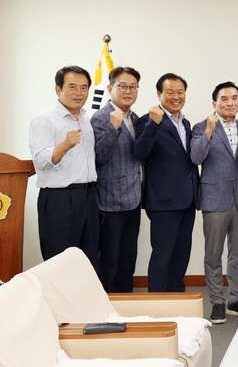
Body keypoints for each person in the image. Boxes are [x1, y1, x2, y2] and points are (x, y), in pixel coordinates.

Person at [191, 82, 238, 323]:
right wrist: (208, 132)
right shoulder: (201, 127)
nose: (230, 102)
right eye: (224, 98)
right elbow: (195, 157)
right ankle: (217, 302)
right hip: (214, 198)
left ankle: (235, 300)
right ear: (214, 103)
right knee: (213, 255)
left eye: (234, 98)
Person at [134, 73, 199, 292]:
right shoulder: (147, 120)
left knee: (181, 255)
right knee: (162, 256)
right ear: (159, 94)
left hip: (187, 199)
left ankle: (177, 300)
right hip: (163, 201)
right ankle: (158, 303)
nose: (176, 97)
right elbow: (140, 152)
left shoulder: (185, 122)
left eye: (180, 92)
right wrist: (153, 125)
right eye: (170, 92)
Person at [29, 65, 99, 268]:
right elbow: (40, 161)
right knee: (59, 261)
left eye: (84, 88)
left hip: (89, 197)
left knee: (89, 259)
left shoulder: (85, 119)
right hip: (60, 199)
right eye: (72, 87)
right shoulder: (44, 120)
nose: (79, 93)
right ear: (58, 89)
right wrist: (65, 145)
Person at [91, 66, 143, 292]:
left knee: (128, 259)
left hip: (134, 199)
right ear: (110, 88)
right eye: (122, 86)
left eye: (133, 87)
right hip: (110, 201)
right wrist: (113, 127)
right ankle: (107, 305)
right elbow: (99, 156)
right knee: (109, 260)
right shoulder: (100, 117)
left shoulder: (135, 117)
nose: (128, 91)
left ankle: (125, 303)